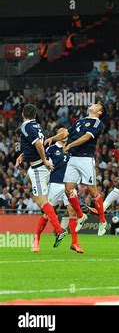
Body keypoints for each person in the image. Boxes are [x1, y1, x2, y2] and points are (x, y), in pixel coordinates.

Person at [44, 101, 106, 236]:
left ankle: (102, 221)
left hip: (86, 158)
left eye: (96, 105)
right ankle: (80, 215)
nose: (93, 104)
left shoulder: (97, 123)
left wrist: (70, 145)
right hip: (73, 158)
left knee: (93, 191)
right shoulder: (80, 121)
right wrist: (53, 138)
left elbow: (86, 137)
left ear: (99, 112)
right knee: (68, 190)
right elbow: (66, 133)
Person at [16, 104, 67, 248]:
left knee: (42, 202)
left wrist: (44, 160)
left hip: (39, 167)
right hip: (35, 166)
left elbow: (38, 144)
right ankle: (48, 234)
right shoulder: (37, 126)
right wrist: (23, 155)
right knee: (37, 193)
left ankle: (58, 230)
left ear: (23, 113)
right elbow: (34, 145)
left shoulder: (25, 126)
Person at [32, 128, 84, 253]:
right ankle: (37, 239)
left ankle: (75, 243)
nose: (66, 134)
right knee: (47, 213)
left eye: (66, 132)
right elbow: (43, 162)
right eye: (63, 132)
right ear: (58, 135)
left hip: (69, 185)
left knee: (73, 212)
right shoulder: (51, 148)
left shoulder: (72, 148)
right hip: (55, 184)